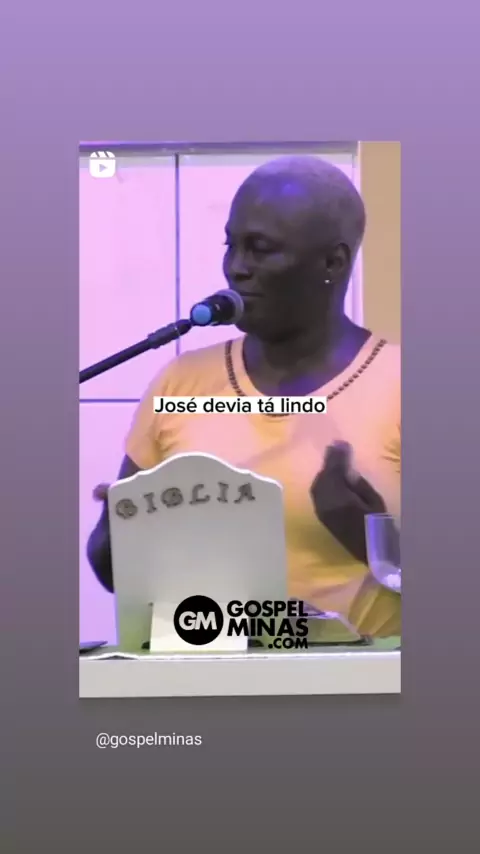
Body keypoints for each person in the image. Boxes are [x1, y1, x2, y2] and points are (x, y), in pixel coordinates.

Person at [87, 155, 401, 638]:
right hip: (203, 672)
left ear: (333, 263)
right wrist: (124, 531)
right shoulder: (181, 382)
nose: (237, 269)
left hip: (366, 680)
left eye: (261, 249)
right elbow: (113, 570)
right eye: (231, 246)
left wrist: (374, 541)